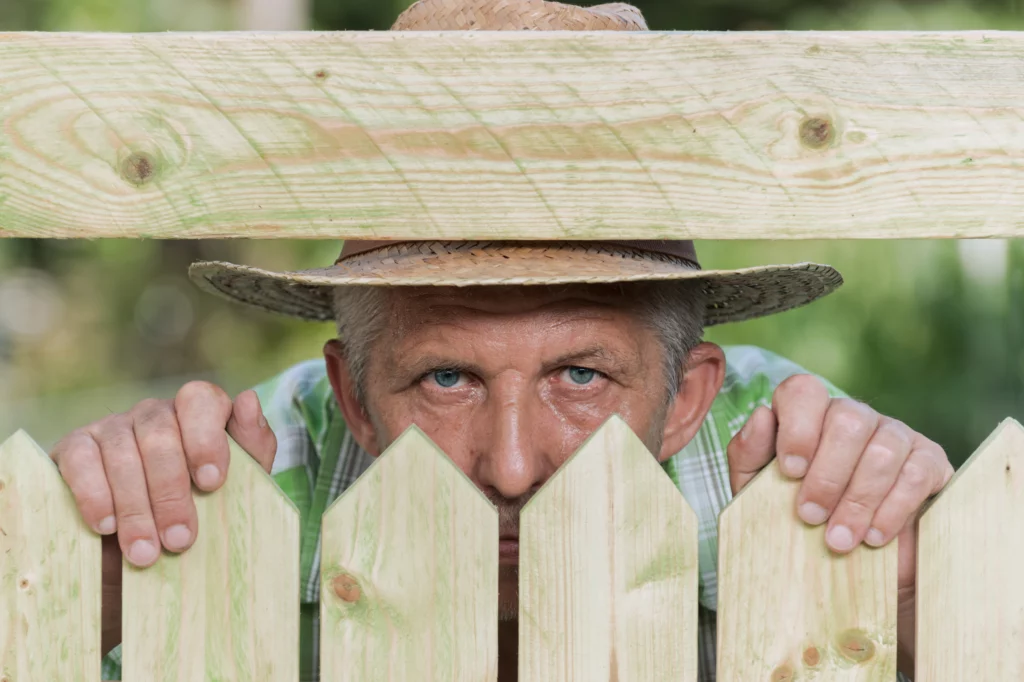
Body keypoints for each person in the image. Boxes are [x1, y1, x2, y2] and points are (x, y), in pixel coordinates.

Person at [50, 5, 952, 682]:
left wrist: (920, 606)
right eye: (447, 378)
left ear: (686, 400)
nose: (513, 468)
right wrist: (71, 590)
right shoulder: (242, 483)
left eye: (580, 375)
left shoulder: (794, 473)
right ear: (355, 397)